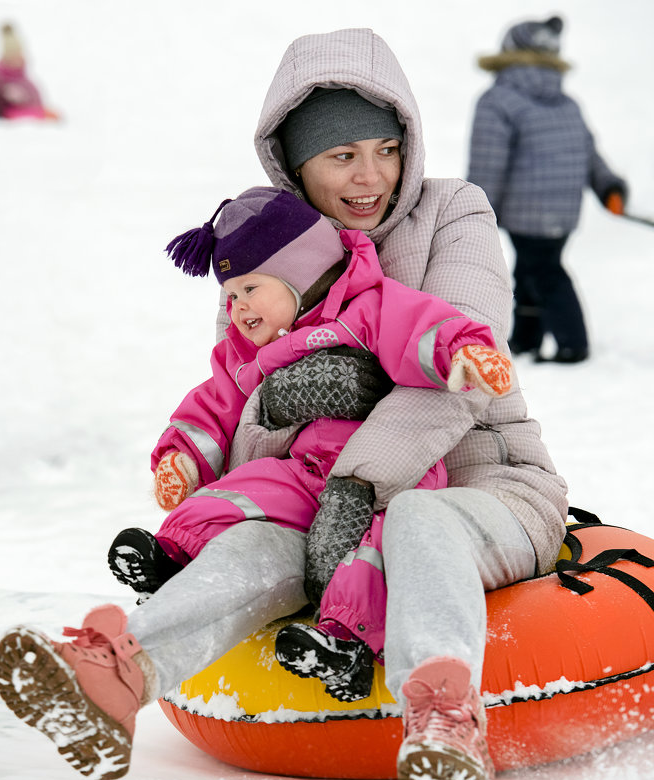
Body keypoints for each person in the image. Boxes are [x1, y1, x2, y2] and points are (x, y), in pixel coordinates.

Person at [0, 28, 568, 780]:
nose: (371, 176)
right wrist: (215, 461)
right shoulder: (267, 247)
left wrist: (356, 478)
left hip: (485, 489)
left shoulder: (451, 212)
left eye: (385, 148)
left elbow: (461, 368)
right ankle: (120, 674)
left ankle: (442, 721)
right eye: (340, 157)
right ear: (295, 165)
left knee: (414, 524)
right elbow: (243, 403)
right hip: (317, 503)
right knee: (256, 548)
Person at [107, 185, 512, 702]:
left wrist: (465, 353)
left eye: (251, 289)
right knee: (238, 492)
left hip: (382, 472)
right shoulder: (245, 353)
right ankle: (175, 555)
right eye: (231, 296)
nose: (238, 308)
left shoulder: (368, 310)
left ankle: (344, 639)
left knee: (376, 547)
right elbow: (213, 404)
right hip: (302, 473)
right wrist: (181, 459)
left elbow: (422, 329)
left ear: (296, 272)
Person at [467, 15, 627, 363]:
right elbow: (590, 154)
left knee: (545, 273)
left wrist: (473, 213)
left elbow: (487, 164)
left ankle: (574, 345)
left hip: (527, 215)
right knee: (530, 271)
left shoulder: (497, 101)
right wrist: (608, 187)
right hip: (563, 213)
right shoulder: (567, 104)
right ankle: (526, 339)